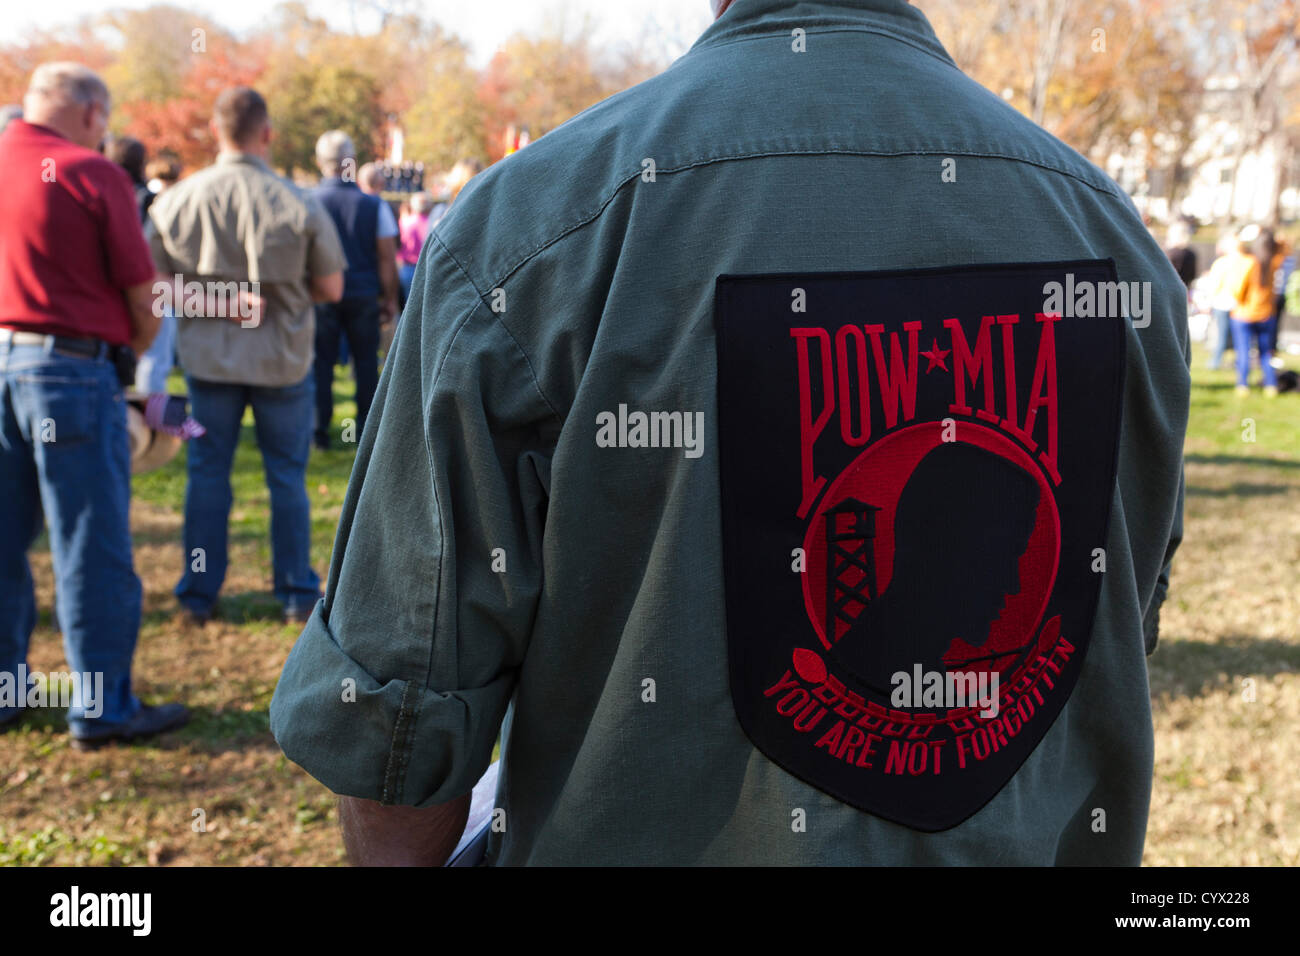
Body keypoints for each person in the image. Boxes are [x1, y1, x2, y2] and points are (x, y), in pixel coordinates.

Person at [270, 0, 1189, 865]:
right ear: (940, 551)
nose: (1010, 585)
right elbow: (1113, 629)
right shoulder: (1114, 237)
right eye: (1002, 556)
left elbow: (403, 719)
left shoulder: (538, 229)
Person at [0, 62, 189, 747]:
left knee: (3, 538)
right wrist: (127, 358)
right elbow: (145, 301)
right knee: (90, 548)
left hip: (5, 363)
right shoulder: (90, 172)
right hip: (71, 373)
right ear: (88, 112)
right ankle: (102, 705)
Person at [145, 87, 347, 625]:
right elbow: (330, 287)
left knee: (206, 474)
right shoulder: (298, 201)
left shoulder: (175, 202)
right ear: (268, 133)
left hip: (210, 364)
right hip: (282, 359)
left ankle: (198, 594)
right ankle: (297, 593)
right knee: (286, 477)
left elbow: (151, 286)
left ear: (216, 131)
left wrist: (211, 299)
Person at [311, 131, 399, 450]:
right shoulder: (372, 205)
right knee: (365, 364)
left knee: (320, 363)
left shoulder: (309, 201)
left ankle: (318, 431)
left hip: (320, 294)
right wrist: (388, 298)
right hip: (362, 294)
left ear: (320, 162)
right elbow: (386, 256)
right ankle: (364, 432)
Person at [1223, 224, 1279, 396]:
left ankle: (1243, 385)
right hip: (1266, 314)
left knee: (1243, 351)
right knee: (1266, 352)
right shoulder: (1274, 263)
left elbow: (1238, 290)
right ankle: (1271, 385)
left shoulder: (1248, 264)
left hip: (1243, 315)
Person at [1204, 232, 1244, 370]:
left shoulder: (1221, 263)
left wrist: (1209, 301)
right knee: (1238, 337)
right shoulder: (1245, 262)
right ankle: (1239, 361)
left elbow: (1215, 284)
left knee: (1221, 334)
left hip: (1222, 302)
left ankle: (1215, 361)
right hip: (1239, 303)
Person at [397, 192, 439, 306]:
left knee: (408, 306)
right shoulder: (434, 224)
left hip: (407, 269)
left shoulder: (404, 222)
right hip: (426, 269)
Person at [1164, 219, 1197, 288]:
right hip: (1184, 290)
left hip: (1169, 290)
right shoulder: (1191, 254)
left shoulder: (1169, 254)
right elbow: (1193, 276)